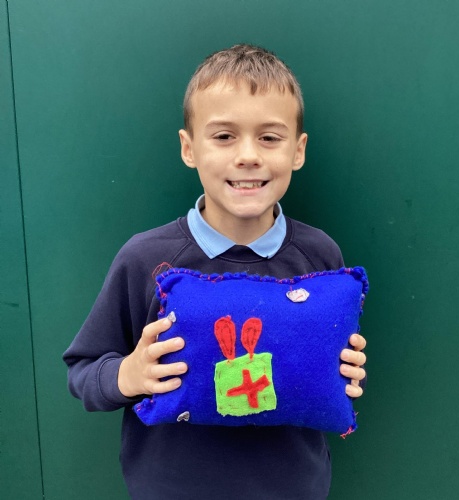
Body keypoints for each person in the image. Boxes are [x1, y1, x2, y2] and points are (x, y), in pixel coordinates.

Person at [63, 44, 367, 499]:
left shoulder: (320, 254)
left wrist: (347, 372)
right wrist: (129, 375)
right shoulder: (144, 259)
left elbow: (327, 371)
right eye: (224, 136)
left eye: (270, 137)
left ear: (298, 150)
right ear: (189, 148)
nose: (248, 156)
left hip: (293, 488)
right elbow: (83, 369)